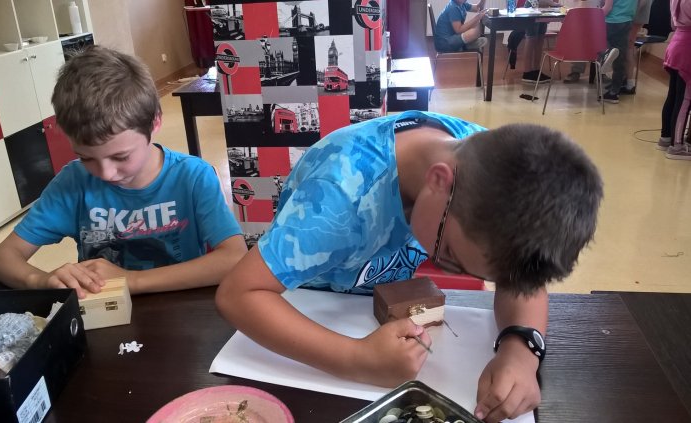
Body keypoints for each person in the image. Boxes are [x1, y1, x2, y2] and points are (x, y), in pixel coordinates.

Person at [216, 111, 603, 422]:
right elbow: (238, 294)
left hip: (382, 304)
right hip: (308, 305)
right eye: (448, 254)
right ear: (439, 182)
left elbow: (520, 280)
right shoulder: (336, 196)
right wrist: (356, 360)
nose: (449, 274)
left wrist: (521, 349)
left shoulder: (488, 167)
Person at [0, 46, 247, 298]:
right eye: (86, 157)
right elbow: (1, 259)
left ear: (154, 122)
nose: (106, 173)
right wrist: (41, 281)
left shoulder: (193, 177)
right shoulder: (72, 183)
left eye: (121, 157)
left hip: (179, 310)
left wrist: (131, 280)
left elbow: (234, 258)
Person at [562, 0, 635, 104]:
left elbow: (608, 8)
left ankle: (605, 55)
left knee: (594, 44)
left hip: (611, 22)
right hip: (627, 21)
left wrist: (593, 20)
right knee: (620, 58)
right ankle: (614, 91)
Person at [661, 0, 691, 159]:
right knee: (684, 101)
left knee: (673, 96)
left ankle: (665, 137)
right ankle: (677, 146)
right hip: (687, 48)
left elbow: (673, 24)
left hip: (677, 42)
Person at [507, 0, 562, 84]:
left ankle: (536, 70)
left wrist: (551, 5)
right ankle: (527, 72)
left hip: (543, 8)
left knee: (540, 38)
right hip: (532, 6)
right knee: (531, 38)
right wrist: (551, 3)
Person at [622, 0, 655, 94]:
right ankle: (626, 80)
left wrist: (631, 14)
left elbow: (642, 2)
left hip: (635, 16)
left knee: (629, 47)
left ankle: (629, 83)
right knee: (628, 47)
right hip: (635, 15)